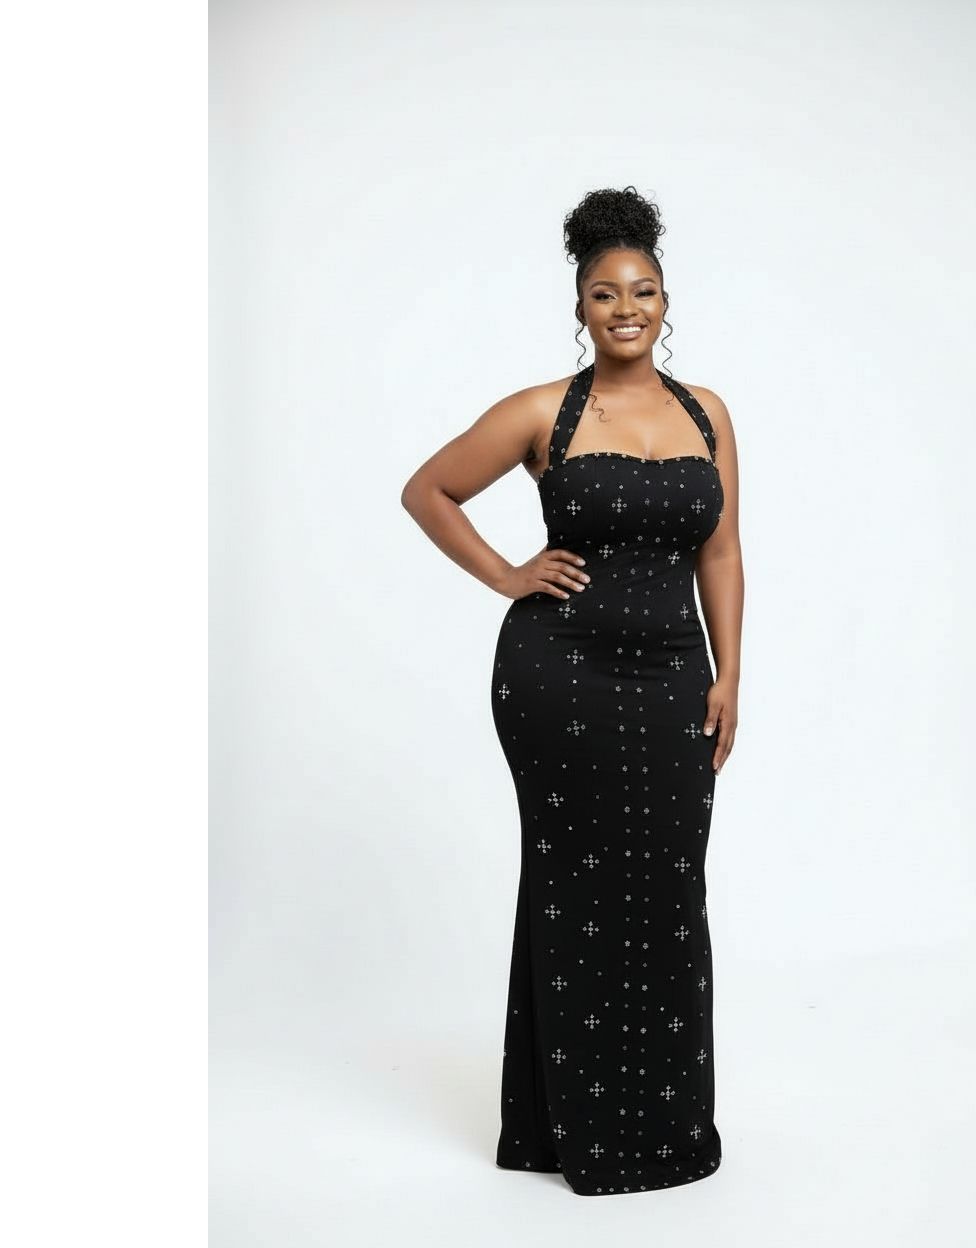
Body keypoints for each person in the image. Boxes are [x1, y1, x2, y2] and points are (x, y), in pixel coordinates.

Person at [401, 185, 744, 1195]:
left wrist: (729, 673)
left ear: (665, 301)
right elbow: (429, 490)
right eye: (605, 293)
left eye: (643, 291)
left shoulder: (707, 413)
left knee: (671, 887)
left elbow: (721, 551)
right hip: (560, 677)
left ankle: (664, 1131)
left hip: (675, 673)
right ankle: (568, 1134)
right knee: (577, 884)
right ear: (582, 307)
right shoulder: (541, 412)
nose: (625, 308)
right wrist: (509, 574)